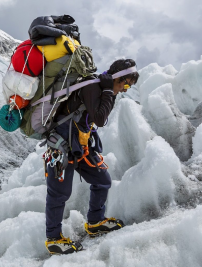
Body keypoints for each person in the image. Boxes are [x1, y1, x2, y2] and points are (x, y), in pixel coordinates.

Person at [44, 59, 140, 255]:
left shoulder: (103, 88)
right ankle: (54, 239)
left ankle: (95, 222)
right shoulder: (93, 87)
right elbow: (100, 119)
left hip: (80, 145)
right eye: (126, 83)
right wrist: (106, 92)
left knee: (102, 180)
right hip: (60, 145)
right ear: (118, 78)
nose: (126, 89)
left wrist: (108, 92)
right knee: (58, 193)